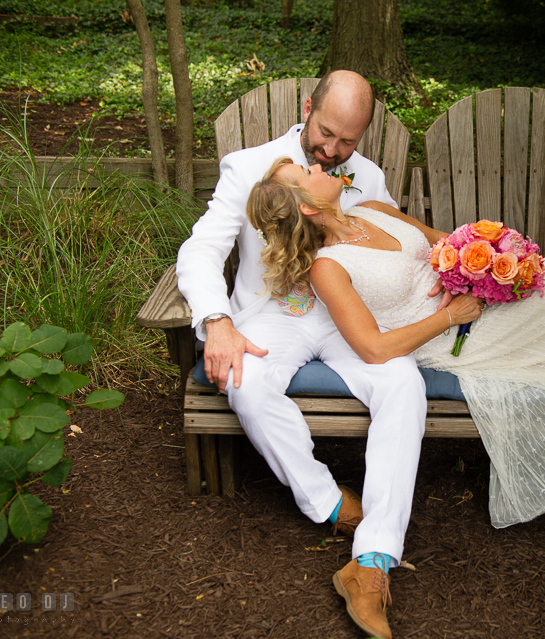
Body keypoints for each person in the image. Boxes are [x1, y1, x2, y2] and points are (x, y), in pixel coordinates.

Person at [176, 71, 424, 639]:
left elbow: (395, 240)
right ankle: (334, 506)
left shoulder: (368, 178)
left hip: (349, 316)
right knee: (243, 379)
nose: (333, 152)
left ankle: (373, 561)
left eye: (348, 143)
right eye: (326, 134)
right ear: (307, 107)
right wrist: (216, 321)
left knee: (402, 384)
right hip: (272, 315)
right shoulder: (250, 165)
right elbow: (202, 249)